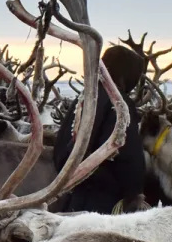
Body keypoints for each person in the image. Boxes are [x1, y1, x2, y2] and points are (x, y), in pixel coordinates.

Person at [52, 44, 148, 213]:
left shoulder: (84, 98)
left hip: (73, 194)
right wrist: (134, 192)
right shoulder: (120, 104)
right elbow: (129, 156)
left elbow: (60, 148)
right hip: (106, 201)